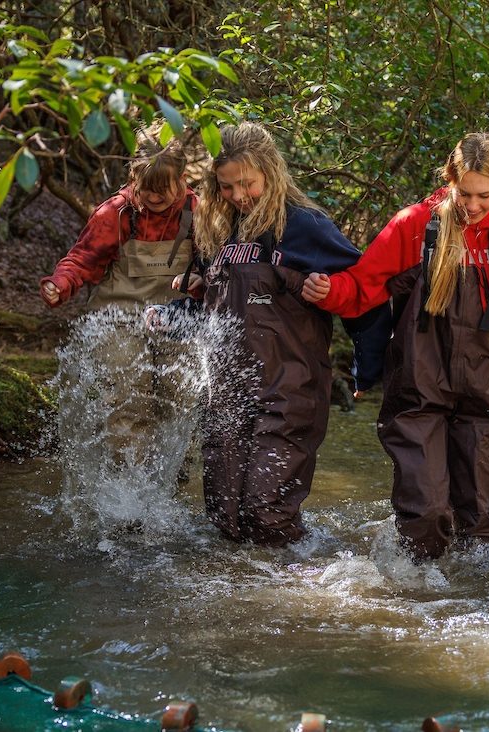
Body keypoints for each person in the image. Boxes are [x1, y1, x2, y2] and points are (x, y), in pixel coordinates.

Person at [303, 132, 489, 560]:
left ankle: (473, 594)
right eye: (465, 194)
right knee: (424, 511)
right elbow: (364, 285)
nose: (473, 206)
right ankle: (420, 593)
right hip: (417, 386)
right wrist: (328, 291)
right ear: (450, 180)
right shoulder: (413, 224)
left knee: (477, 521)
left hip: (483, 391)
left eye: (485, 196)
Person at [161, 121, 386, 547]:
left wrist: (367, 367)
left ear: (270, 171)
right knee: (225, 517)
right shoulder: (215, 231)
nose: (238, 196)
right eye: (226, 187)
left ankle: (315, 585)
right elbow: (209, 307)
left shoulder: (304, 225)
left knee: (266, 512)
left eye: (247, 184)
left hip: (290, 393)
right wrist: (172, 316)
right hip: (226, 394)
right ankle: (245, 603)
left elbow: (364, 292)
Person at [39, 128, 199, 475]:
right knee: (129, 399)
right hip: (118, 316)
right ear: (133, 176)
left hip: (177, 316)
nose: (155, 196)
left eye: (165, 188)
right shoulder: (116, 212)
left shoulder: (198, 211)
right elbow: (82, 260)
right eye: (147, 188)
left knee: (180, 397)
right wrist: (59, 284)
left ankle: (173, 475)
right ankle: (128, 482)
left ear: (183, 179)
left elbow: (217, 264)